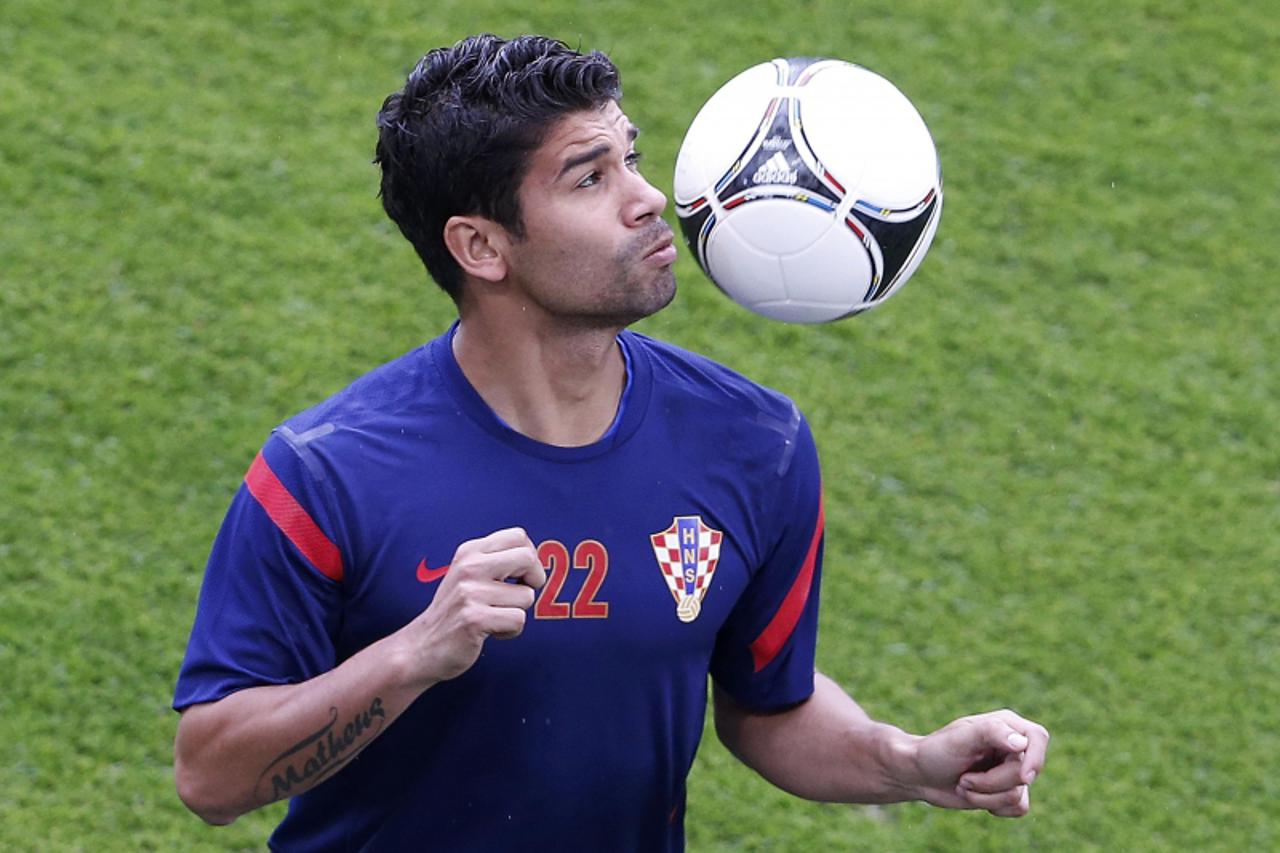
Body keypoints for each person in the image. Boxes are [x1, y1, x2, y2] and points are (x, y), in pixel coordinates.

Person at [172, 33, 1048, 852]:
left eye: (630, 155)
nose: (649, 196)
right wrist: (412, 654)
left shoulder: (753, 443)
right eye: (590, 178)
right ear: (481, 246)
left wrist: (909, 760)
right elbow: (211, 776)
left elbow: (766, 705)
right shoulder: (327, 473)